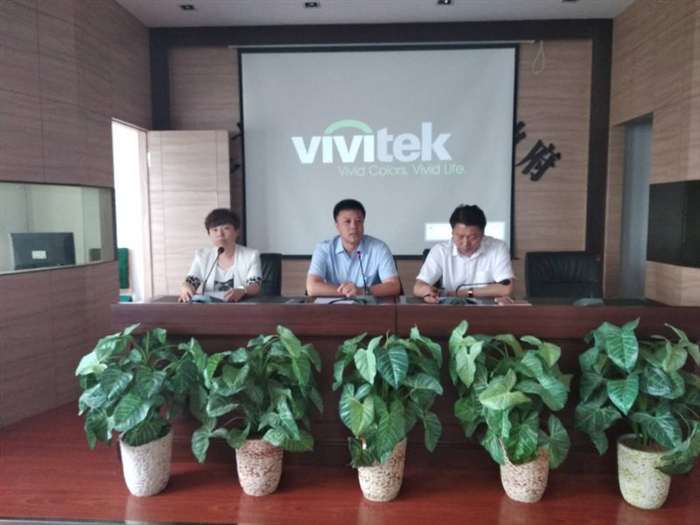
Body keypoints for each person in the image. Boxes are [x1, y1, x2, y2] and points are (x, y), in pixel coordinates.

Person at [413, 204, 514, 304]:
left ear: (483, 234)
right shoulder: (440, 251)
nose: (465, 244)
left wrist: (462, 293)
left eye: (472, 237)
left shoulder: (497, 248)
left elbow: (506, 288)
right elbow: (418, 287)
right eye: (460, 237)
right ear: (452, 233)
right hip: (450, 308)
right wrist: (427, 293)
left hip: (486, 309)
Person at [306, 199, 401, 298]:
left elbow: (394, 286)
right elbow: (312, 287)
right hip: (334, 305)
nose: (354, 226)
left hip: (369, 306)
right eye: (347, 221)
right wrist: (350, 292)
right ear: (337, 226)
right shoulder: (324, 249)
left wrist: (362, 291)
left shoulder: (379, 248)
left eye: (358, 221)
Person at [178, 208, 262, 303]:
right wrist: (186, 287)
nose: (220, 234)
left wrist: (242, 290)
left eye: (226, 228)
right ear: (209, 234)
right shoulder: (202, 256)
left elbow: (255, 285)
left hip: (239, 307)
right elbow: (191, 281)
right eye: (215, 230)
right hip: (209, 308)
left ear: (237, 231)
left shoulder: (251, 255)